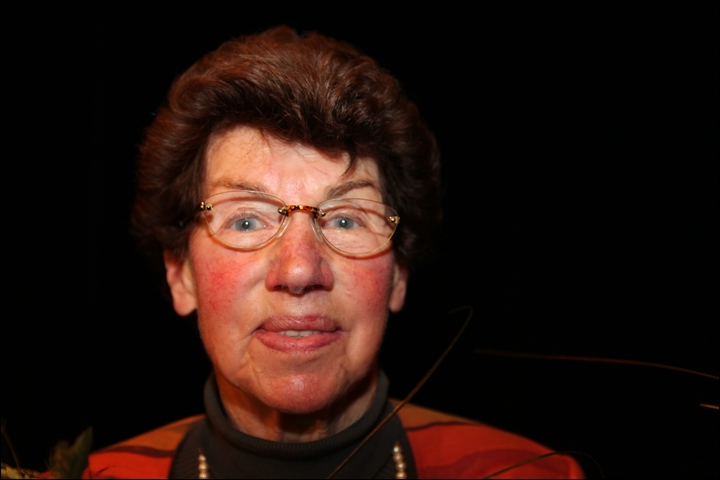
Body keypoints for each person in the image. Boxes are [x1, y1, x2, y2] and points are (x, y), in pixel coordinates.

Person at [84, 26, 584, 479]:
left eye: (345, 220)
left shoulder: (532, 474)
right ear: (180, 273)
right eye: (247, 220)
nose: (301, 269)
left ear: (398, 274)